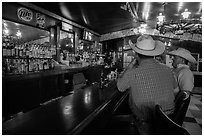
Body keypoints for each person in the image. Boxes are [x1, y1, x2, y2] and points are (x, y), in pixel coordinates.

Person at [117, 35, 178, 134]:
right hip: (169, 121)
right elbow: (176, 90)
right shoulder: (167, 69)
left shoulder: (133, 72)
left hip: (146, 124)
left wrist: (130, 65)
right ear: (154, 53)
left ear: (136, 54)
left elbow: (120, 87)